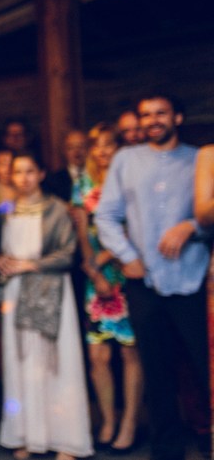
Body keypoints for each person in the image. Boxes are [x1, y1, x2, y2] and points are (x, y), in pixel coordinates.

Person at [95, 93, 211, 460]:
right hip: (144, 283)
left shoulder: (199, 159)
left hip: (193, 281)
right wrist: (127, 256)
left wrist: (191, 227)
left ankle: (208, 440)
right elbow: (105, 216)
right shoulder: (125, 160)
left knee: (204, 367)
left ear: (178, 118)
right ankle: (166, 449)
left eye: (161, 113)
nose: (153, 120)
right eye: (146, 115)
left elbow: (211, 214)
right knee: (156, 371)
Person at [0, 151, 92, 460]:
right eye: (18, 172)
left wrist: (29, 264)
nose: (24, 178)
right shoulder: (5, 209)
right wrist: (0, 260)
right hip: (15, 293)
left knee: (57, 362)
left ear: (41, 174)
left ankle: (66, 439)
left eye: (30, 171)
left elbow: (68, 253)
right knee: (21, 362)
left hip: (52, 290)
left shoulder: (57, 208)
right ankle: (26, 434)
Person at [72, 124, 141, 452]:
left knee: (129, 352)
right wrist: (93, 269)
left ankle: (130, 422)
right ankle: (108, 420)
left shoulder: (130, 179)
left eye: (108, 144)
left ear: (119, 148)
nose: (101, 151)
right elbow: (81, 232)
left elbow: (138, 226)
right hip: (95, 278)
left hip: (128, 272)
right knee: (98, 355)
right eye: (96, 145)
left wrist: (106, 257)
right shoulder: (82, 184)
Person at [43, 129, 88, 202]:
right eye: (71, 147)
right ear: (64, 151)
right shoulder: (53, 180)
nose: (77, 151)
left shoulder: (96, 175)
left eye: (81, 146)